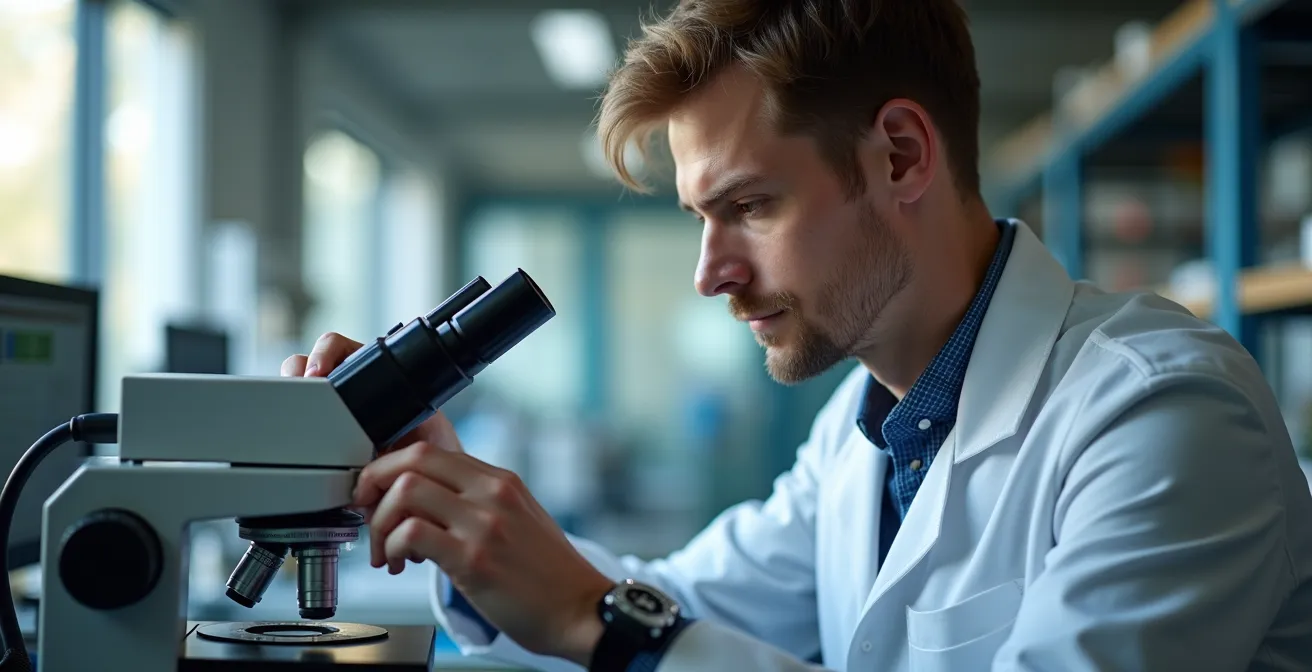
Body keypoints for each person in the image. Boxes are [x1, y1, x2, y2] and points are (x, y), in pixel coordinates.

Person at [282, 0, 1312, 669]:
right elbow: (674, 603)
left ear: (899, 156)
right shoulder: (866, 435)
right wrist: (459, 512)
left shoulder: (1162, 413)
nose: (709, 274)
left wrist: (601, 620)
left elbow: (617, 620)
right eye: (701, 218)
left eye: (750, 206)